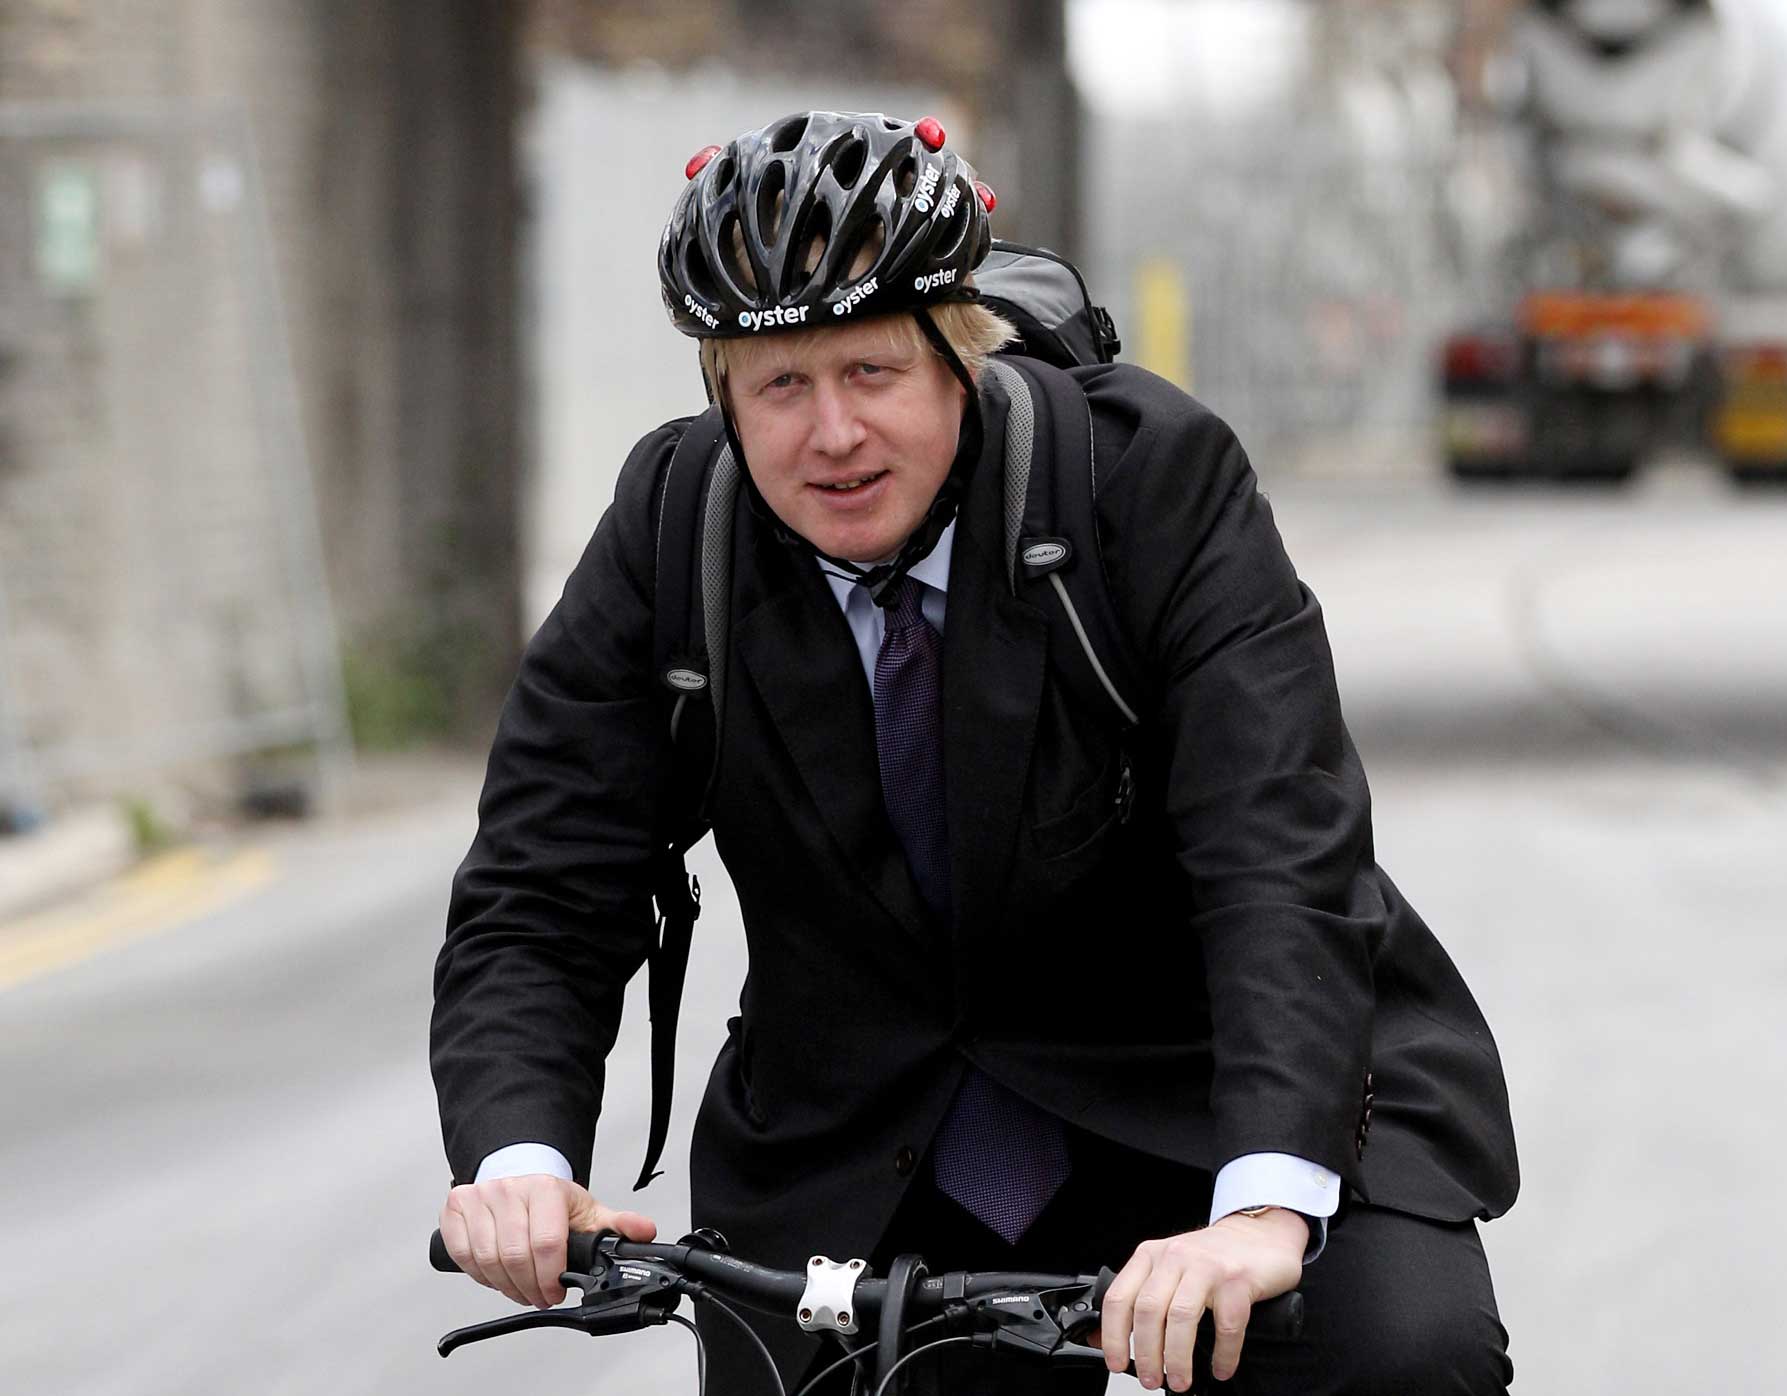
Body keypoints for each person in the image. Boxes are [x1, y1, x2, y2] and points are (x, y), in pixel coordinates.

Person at [432, 110, 1518, 1394]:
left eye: (872, 373)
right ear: (723, 394)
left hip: (1208, 1093)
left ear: (961, 356)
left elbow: (1276, 856)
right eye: (781, 385)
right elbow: (543, 883)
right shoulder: (675, 529)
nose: (830, 433)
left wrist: (1265, 1206)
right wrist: (516, 1161)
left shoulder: (1144, 483)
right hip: (869, 1155)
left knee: (1402, 1356)